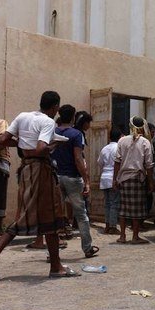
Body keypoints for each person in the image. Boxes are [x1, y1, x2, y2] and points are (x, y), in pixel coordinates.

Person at [0, 91, 80, 279]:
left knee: (46, 217)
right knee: (45, 214)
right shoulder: (48, 122)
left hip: (25, 170)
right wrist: (51, 147)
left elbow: (2, 140)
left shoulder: (23, 116)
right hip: (40, 169)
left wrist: (23, 145)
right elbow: (41, 148)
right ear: (55, 107)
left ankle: (55, 266)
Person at [52, 105, 99, 258]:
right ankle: (87, 248)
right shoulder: (76, 134)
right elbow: (78, 158)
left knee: (55, 215)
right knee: (81, 215)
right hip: (72, 177)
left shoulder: (53, 132)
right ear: (73, 117)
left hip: (56, 177)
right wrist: (86, 180)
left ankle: (52, 252)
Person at [114, 116, 155, 244]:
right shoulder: (145, 142)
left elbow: (117, 162)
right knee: (137, 209)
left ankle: (122, 236)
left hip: (124, 178)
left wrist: (115, 179)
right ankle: (135, 237)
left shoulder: (121, 141)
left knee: (123, 209)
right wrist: (151, 182)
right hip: (138, 179)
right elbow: (149, 165)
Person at [98, 128, 123, 235]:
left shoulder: (105, 148)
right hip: (114, 177)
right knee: (114, 203)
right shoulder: (118, 148)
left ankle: (107, 226)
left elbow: (99, 163)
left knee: (107, 203)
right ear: (120, 137)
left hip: (104, 177)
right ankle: (113, 226)